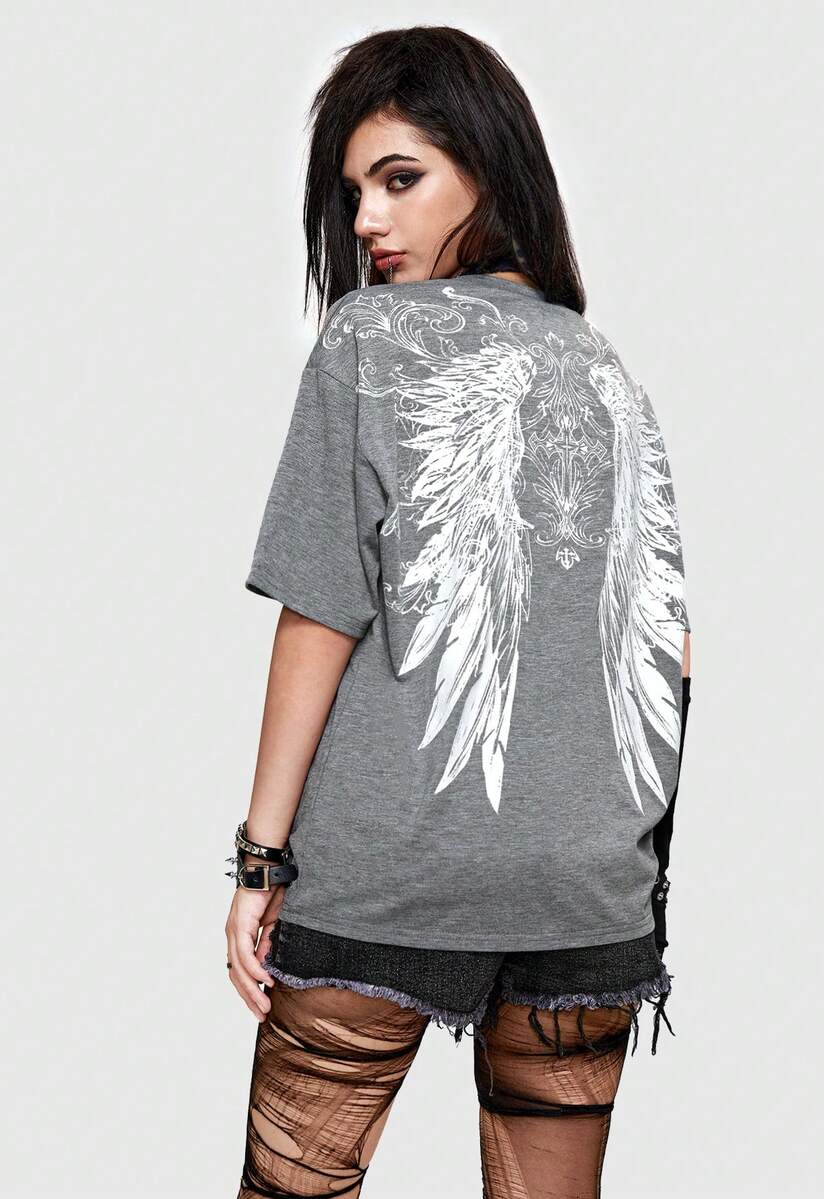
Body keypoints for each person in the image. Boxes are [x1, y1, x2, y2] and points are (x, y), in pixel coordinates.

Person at [226, 25, 693, 1199]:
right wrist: (622, 865)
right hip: (590, 889)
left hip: (394, 866)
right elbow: (673, 652)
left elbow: (320, 613)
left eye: (401, 179)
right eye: (355, 194)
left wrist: (261, 856)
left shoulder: (369, 339)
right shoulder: (608, 369)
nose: (369, 222)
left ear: (488, 167)